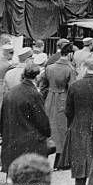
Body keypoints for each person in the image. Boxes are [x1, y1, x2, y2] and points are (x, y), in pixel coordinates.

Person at [0, 63, 51, 173]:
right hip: (30, 143)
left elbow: (2, 120)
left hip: (12, 141)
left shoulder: (10, 92)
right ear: (36, 77)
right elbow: (42, 121)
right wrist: (47, 133)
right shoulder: (34, 94)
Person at [41, 42, 76, 170]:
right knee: (61, 130)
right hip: (63, 99)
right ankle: (59, 162)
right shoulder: (70, 69)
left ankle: (44, 158)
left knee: (49, 128)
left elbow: (43, 86)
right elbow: (72, 89)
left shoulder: (49, 68)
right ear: (70, 54)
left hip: (50, 99)